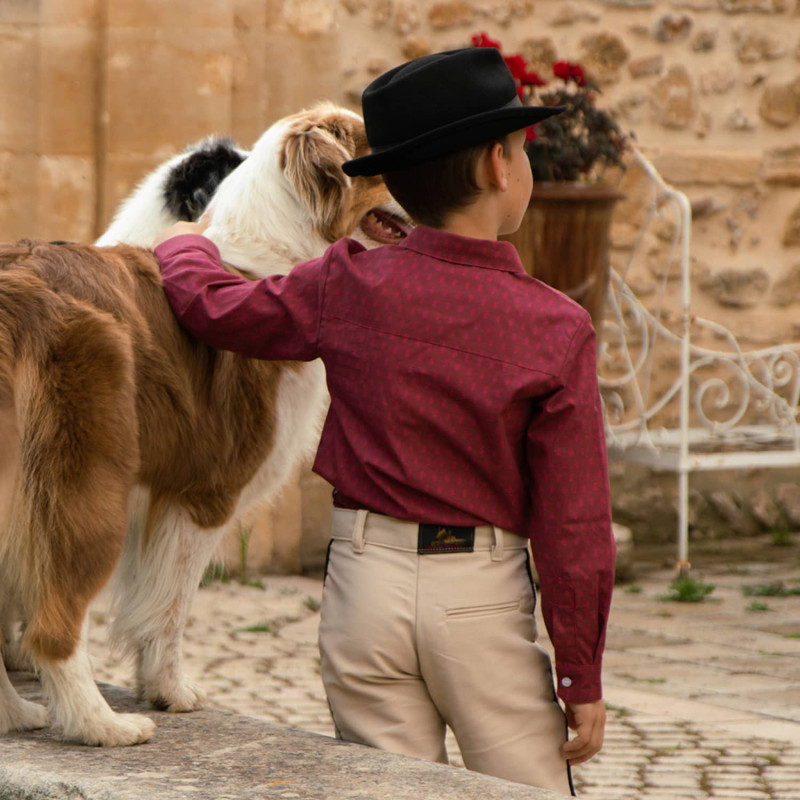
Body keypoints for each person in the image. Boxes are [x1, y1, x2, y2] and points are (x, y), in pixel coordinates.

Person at [153, 46, 616, 796]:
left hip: (362, 591)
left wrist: (182, 249)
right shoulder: (555, 328)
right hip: (482, 599)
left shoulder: (345, 281)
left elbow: (219, 311)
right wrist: (580, 672)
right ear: (502, 168)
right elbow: (575, 523)